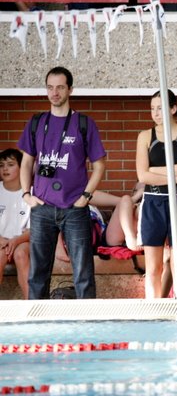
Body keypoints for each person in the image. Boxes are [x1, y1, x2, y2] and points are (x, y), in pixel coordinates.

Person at [18, 66, 106, 299]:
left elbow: (99, 166)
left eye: (59, 87)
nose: (54, 93)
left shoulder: (84, 123)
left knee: (83, 273)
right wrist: (26, 194)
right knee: (38, 273)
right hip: (42, 208)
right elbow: (26, 162)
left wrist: (85, 197)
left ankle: (86, 319)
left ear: (70, 90)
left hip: (74, 208)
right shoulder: (36, 122)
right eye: (50, 87)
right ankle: (38, 318)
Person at [136, 89, 177, 299]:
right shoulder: (145, 136)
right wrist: (175, 176)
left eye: (160, 108)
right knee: (153, 267)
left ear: (173, 109)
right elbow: (142, 175)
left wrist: (154, 170)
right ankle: (154, 312)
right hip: (153, 202)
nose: (155, 113)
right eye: (152, 108)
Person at [0, 149, 31, 299]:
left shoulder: (30, 193)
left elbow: (36, 229)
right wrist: (2, 240)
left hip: (24, 240)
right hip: (1, 241)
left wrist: (16, 240)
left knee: (20, 254)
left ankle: (31, 304)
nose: (5, 169)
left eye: (10, 164)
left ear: (22, 167)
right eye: (1, 165)